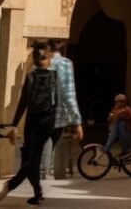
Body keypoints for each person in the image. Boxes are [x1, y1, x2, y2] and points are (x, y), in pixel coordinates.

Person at [0, 44, 57, 205]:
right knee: (32, 158)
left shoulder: (30, 77)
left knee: (31, 157)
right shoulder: (54, 76)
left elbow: (22, 103)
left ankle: (24, 188)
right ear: (46, 59)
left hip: (32, 120)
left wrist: (14, 124)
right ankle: (28, 189)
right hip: (48, 120)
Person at [46, 38, 82, 179]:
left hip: (39, 116)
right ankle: (56, 176)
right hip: (58, 117)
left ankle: (39, 182)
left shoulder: (37, 64)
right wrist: (76, 121)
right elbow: (69, 94)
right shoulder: (65, 64)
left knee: (41, 153)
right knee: (58, 148)